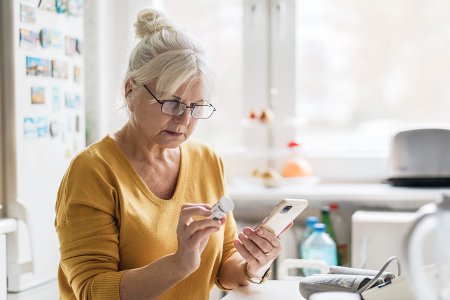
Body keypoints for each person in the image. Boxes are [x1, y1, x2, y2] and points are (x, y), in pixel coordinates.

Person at [55, 8, 291, 300]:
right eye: (171, 103)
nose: (183, 120)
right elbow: (92, 291)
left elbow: (223, 265)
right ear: (130, 91)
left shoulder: (207, 160)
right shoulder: (93, 171)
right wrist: (179, 264)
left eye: (196, 107)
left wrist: (253, 266)